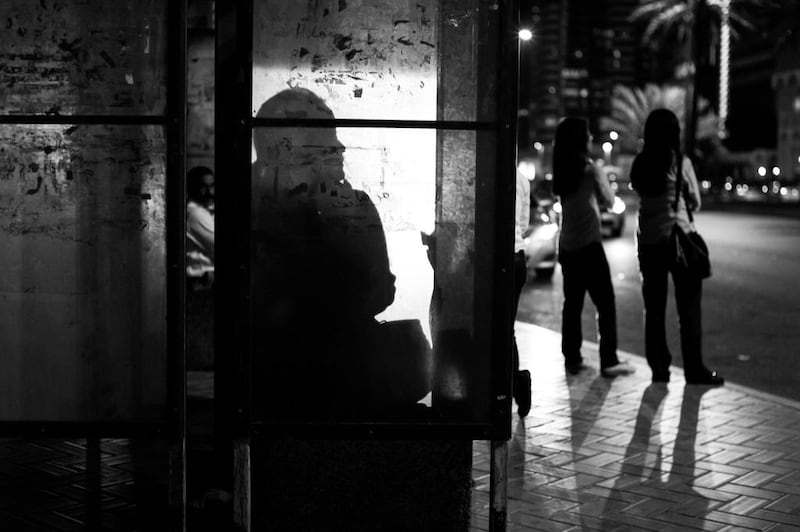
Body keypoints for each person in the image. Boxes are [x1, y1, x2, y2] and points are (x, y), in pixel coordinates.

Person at [251, 88, 430, 420]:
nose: (340, 148)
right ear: (284, 153)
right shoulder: (347, 205)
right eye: (322, 143)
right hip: (323, 376)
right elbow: (378, 292)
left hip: (280, 375)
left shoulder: (249, 200)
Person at [630, 109, 723, 386]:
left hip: (649, 243)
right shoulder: (680, 162)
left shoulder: (641, 164)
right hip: (679, 240)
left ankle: (660, 369)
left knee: (654, 309)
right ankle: (694, 370)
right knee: (689, 311)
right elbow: (694, 201)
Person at [553, 117, 634, 378]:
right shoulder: (590, 169)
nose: (590, 138)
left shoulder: (562, 170)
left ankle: (572, 358)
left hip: (567, 245)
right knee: (605, 303)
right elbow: (609, 201)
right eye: (587, 134)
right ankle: (609, 359)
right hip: (589, 245)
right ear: (580, 139)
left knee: (572, 304)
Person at [512, 169, 532, 416]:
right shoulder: (522, 179)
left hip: (497, 258)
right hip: (517, 257)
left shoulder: (484, 166)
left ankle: (516, 383)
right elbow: (524, 225)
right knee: (507, 329)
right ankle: (517, 383)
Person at [186, 166, 215, 289]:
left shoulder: (203, 210)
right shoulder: (196, 213)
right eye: (203, 187)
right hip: (202, 283)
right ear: (191, 189)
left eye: (212, 186)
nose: (210, 192)